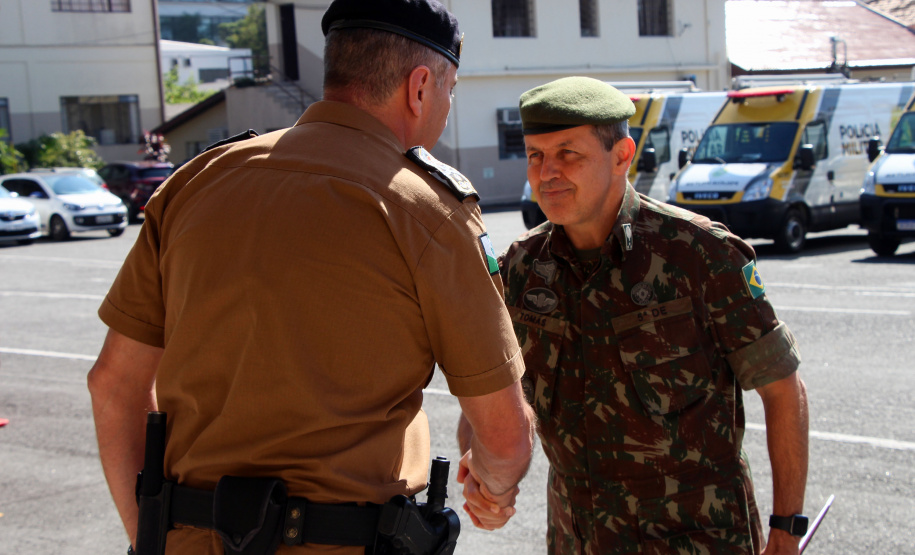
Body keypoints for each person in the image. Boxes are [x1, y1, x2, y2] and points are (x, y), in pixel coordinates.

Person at [87, 1, 534, 553]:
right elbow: (504, 436)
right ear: (419, 87)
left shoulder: (196, 182)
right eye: (449, 89)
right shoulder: (425, 208)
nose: (445, 106)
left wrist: (151, 535)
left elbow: (113, 384)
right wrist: (495, 486)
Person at [458, 76, 809, 554]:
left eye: (568, 153)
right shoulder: (522, 268)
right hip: (577, 539)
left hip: (696, 541)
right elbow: (494, 393)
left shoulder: (699, 254)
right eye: (536, 155)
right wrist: (483, 473)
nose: (546, 173)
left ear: (622, 155)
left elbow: (783, 390)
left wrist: (786, 531)